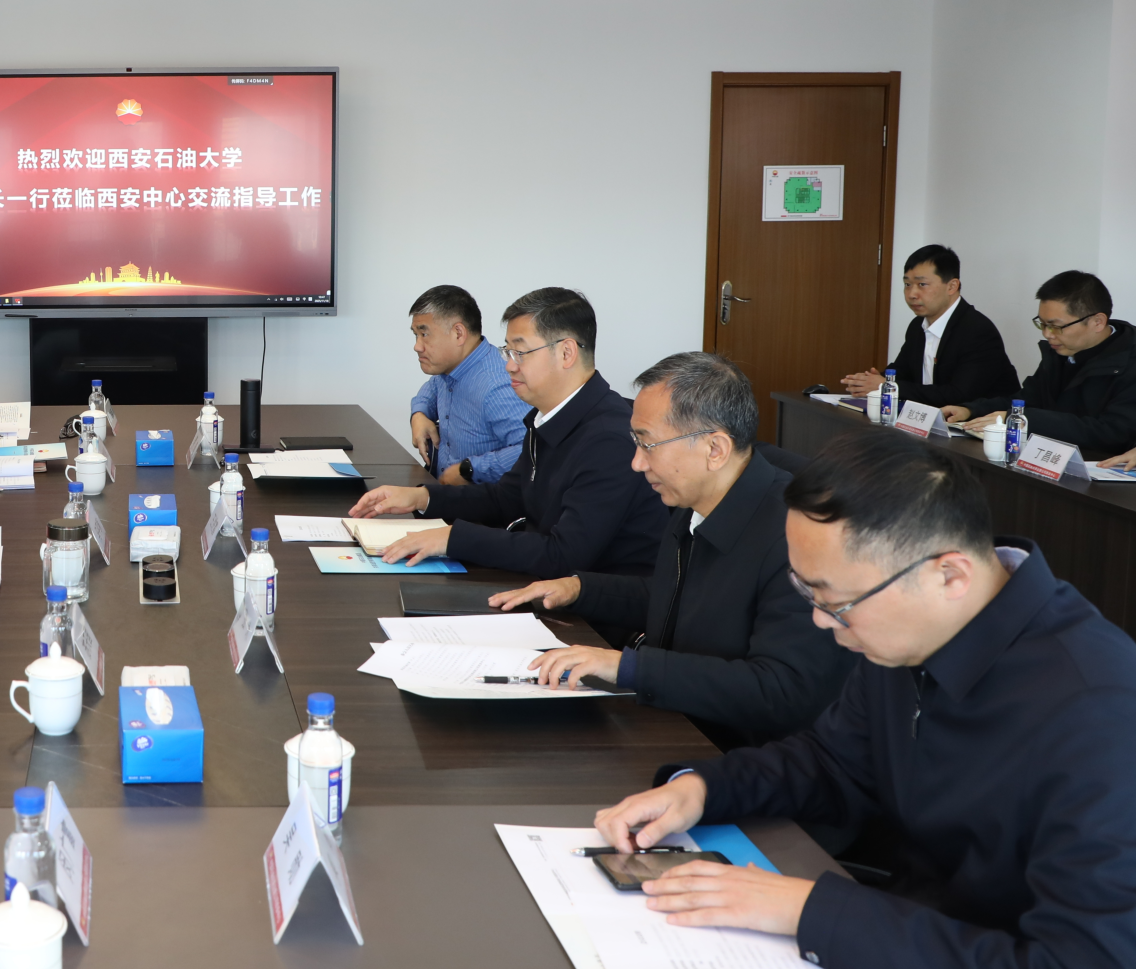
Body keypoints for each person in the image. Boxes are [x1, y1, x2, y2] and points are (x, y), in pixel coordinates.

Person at [587, 430, 1136, 969]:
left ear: (949, 575)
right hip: (904, 948)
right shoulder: (911, 632)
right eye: (806, 591)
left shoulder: (1099, 714)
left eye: (835, 601)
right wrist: (703, 789)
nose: (820, 621)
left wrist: (809, 911)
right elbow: (832, 762)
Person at [487, 352, 855, 749]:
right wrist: (578, 588)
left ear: (715, 449)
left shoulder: (796, 539)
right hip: (678, 722)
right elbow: (676, 596)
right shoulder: (694, 501)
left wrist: (629, 667)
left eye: (648, 444)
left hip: (738, 756)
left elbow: (780, 689)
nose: (636, 463)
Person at [350, 287, 666, 577]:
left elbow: (563, 556)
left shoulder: (610, 440)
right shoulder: (547, 416)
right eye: (508, 351)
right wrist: (422, 497)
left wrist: (452, 538)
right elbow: (506, 498)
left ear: (566, 353)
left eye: (520, 352)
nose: (509, 366)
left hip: (590, 609)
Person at [946, 269, 1136, 459]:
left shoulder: (1129, 361)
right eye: (1042, 324)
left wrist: (1023, 420)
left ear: (1097, 322)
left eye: (1055, 326)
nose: (1047, 334)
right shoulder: (1060, 352)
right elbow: (1026, 400)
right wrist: (971, 410)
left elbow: (1113, 433)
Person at [839, 244, 1017, 408]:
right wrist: (870, 382)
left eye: (922, 284)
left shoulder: (977, 330)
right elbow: (902, 372)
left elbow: (959, 395)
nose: (912, 294)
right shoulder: (918, 325)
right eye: (907, 284)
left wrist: (887, 386)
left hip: (983, 425)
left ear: (952, 286)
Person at [404, 284, 527, 486]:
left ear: (458, 333)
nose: (417, 346)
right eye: (415, 335)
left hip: (480, 502)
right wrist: (419, 414)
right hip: (443, 493)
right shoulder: (449, 369)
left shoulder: (497, 385)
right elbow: (431, 389)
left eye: (424, 334)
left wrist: (469, 469)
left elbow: (528, 451)